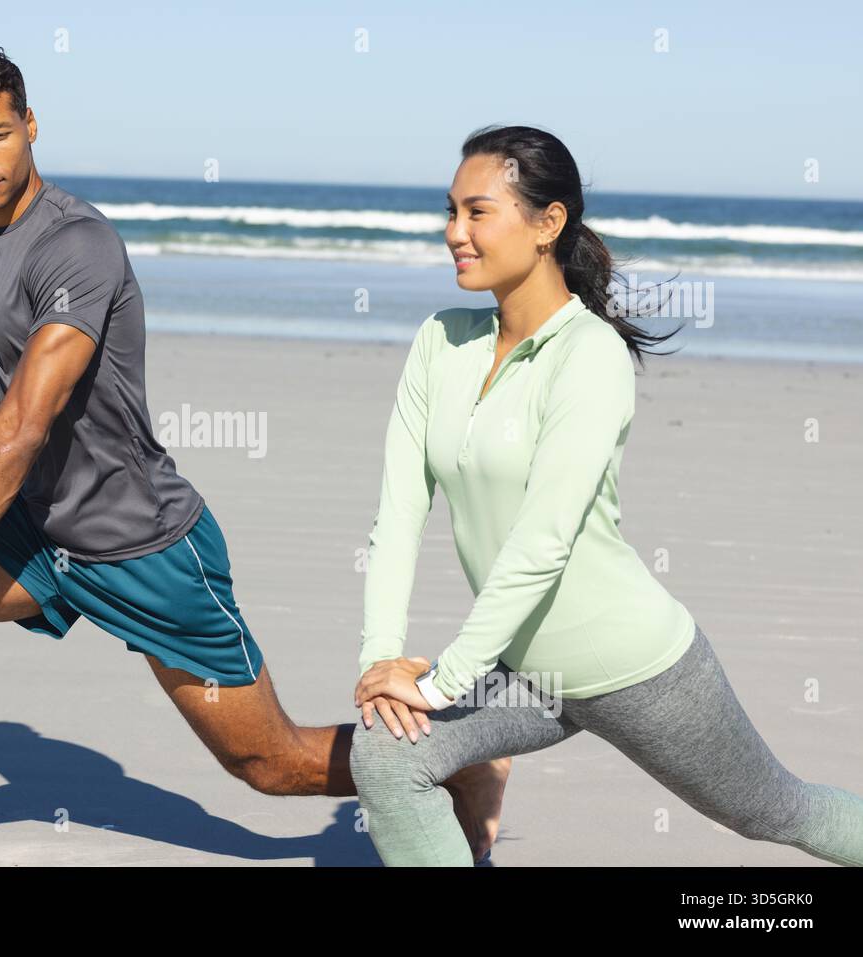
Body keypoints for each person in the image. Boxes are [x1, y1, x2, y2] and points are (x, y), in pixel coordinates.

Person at [0, 43, 504, 866]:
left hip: (142, 545)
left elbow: (22, 423)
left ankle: (456, 755)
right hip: (34, 534)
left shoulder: (77, 246)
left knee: (270, 762)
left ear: (31, 127)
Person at [348, 124, 863, 866]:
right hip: (522, 668)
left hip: (636, 667)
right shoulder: (441, 340)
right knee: (389, 754)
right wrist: (382, 661)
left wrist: (444, 681)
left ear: (547, 223)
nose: (454, 232)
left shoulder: (590, 356)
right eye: (450, 212)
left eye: (477, 212)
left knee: (777, 812)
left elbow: (543, 540)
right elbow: (397, 513)